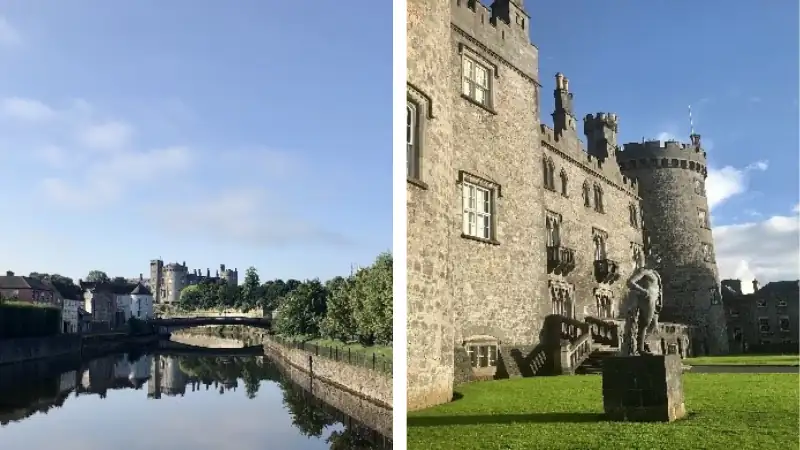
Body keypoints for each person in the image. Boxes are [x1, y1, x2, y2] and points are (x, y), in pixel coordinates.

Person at [621, 253, 662, 355]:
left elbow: (659, 288)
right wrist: (644, 291)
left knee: (653, 325)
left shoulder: (655, 273)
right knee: (645, 323)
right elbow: (630, 282)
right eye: (655, 261)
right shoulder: (643, 271)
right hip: (647, 299)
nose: (657, 263)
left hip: (655, 300)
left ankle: (643, 343)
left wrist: (660, 300)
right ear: (650, 260)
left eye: (658, 262)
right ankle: (641, 349)